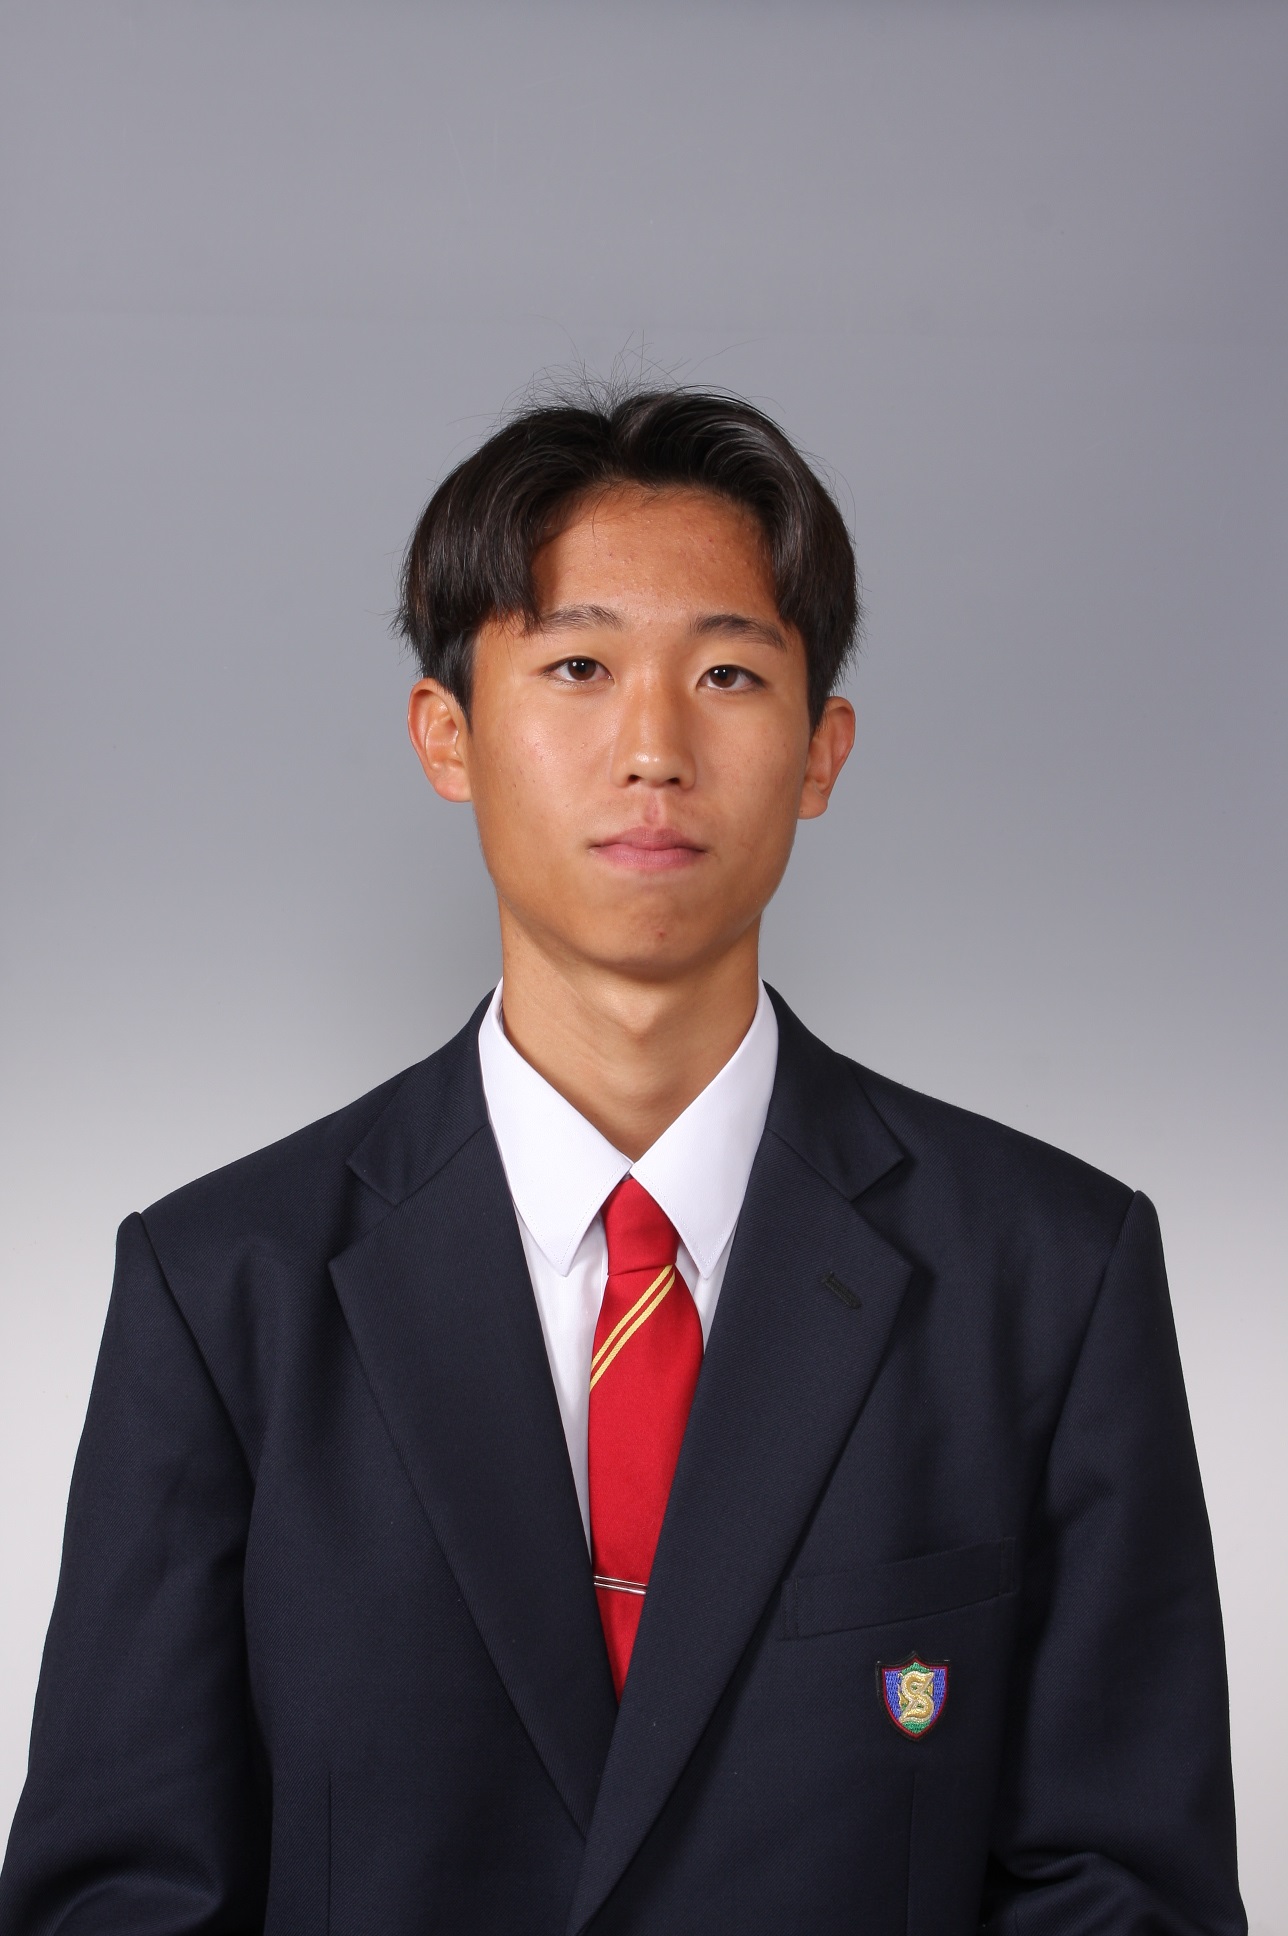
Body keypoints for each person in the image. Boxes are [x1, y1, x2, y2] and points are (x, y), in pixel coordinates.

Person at [0, 388, 1245, 1935]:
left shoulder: (1050, 1277)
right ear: (448, 736)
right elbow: (114, 1898)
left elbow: (1128, 1892)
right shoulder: (224, 1292)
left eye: (728, 673)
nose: (655, 748)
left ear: (822, 751)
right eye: (579, 667)